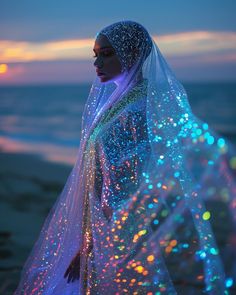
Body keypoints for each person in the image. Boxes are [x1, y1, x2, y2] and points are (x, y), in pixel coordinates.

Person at [15, 21, 235, 295]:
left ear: (132, 54)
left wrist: (92, 243)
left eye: (107, 54)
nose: (97, 63)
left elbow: (123, 183)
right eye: (95, 55)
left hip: (117, 225)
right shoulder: (120, 102)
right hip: (106, 221)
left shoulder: (138, 108)